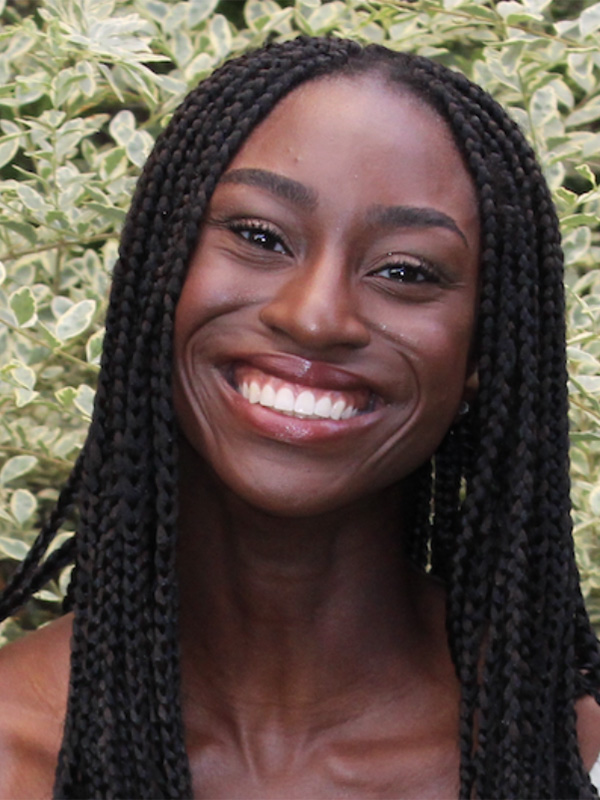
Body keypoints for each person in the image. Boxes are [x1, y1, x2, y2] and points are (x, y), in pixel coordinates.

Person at [0, 35, 598, 800]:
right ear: (160, 270)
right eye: (258, 237)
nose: (316, 317)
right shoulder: (17, 746)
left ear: (485, 350)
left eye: (406, 272)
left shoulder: (569, 759)